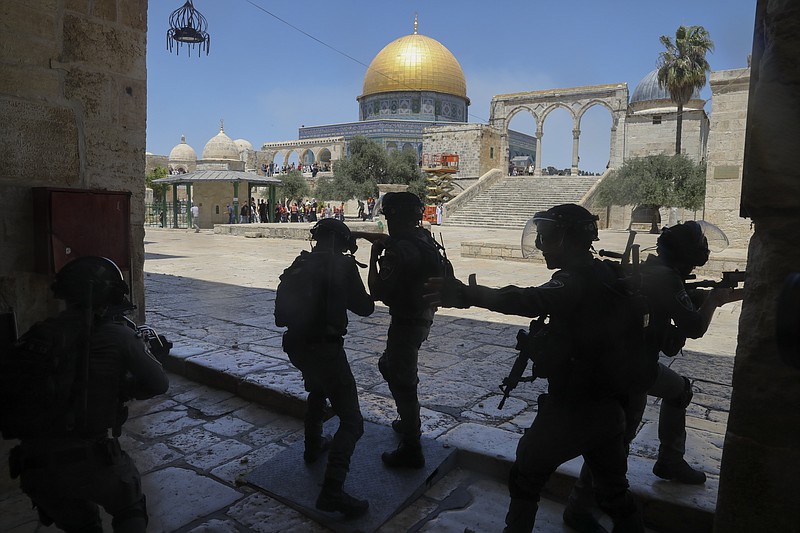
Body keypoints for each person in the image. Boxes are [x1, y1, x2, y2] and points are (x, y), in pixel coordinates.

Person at [427, 204, 645, 533]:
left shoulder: (574, 281)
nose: (542, 245)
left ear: (571, 240)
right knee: (614, 492)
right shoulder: (606, 273)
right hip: (611, 408)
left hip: (573, 408)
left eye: (550, 237)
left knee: (525, 477)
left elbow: (530, 299)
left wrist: (471, 294)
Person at [562, 221, 744, 533]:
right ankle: (578, 509)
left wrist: (698, 295)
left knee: (679, 391)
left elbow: (672, 301)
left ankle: (670, 461)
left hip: (632, 363)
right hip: (630, 371)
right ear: (690, 255)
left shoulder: (656, 270)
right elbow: (694, 328)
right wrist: (714, 300)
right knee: (615, 441)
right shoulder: (666, 277)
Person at [9, 256, 169, 532]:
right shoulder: (117, 336)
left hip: (34, 466)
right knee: (128, 503)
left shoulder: (38, 334)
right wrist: (122, 387)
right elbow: (158, 384)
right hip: (88, 459)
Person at [276, 219, 374, 518]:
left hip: (296, 345)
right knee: (352, 421)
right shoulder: (343, 267)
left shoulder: (298, 264)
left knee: (318, 388)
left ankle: (313, 443)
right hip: (325, 348)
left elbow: (280, 318)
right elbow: (366, 307)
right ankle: (332, 490)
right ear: (343, 243)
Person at [368, 192, 447, 469]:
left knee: (403, 381)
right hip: (424, 316)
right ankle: (407, 420)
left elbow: (377, 291)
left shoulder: (399, 249)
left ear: (396, 216)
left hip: (406, 320)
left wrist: (374, 254)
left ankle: (412, 447)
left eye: (388, 216)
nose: (387, 221)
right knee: (389, 365)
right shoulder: (423, 238)